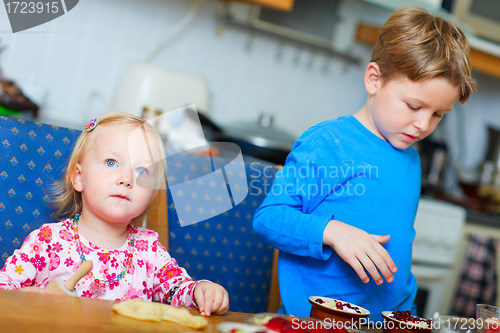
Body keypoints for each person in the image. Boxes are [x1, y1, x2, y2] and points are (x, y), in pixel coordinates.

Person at [253, 6, 476, 322]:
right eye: (414, 106)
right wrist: (332, 231)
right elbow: (268, 218)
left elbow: (400, 252)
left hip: (384, 323)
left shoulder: (411, 159)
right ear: (374, 79)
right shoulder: (329, 143)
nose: (423, 125)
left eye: (438, 114)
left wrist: (408, 316)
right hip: (316, 323)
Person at [0, 112, 229, 317]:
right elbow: (4, 288)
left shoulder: (150, 250)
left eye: (142, 171)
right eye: (111, 162)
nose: (126, 178)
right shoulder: (48, 242)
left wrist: (200, 291)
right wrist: (30, 297)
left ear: (152, 195)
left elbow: (178, 290)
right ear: (79, 177)